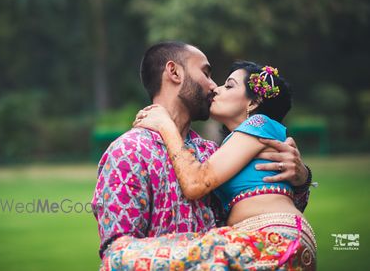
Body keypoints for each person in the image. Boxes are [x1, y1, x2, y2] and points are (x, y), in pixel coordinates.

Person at [91, 42, 313, 267]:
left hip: (259, 246)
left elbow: (274, 203)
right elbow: (117, 251)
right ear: (174, 72)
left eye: (227, 85)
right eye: (206, 73)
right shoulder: (129, 151)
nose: (214, 86)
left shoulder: (210, 151)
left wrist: (303, 178)